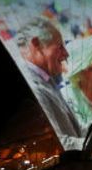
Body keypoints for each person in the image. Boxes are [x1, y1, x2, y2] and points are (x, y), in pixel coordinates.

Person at [15, 17, 84, 150]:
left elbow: (77, 131)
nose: (66, 54)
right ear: (36, 44)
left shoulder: (48, 81)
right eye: (60, 47)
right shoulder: (32, 87)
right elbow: (59, 144)